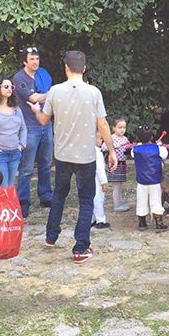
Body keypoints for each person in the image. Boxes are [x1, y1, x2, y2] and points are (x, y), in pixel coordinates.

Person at [28, 50, 117, 264]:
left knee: (59, 194)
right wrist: (111, 150)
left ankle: (51, 236)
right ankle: (80, 247)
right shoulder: (94, 92)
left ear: (66, 67)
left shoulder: (55, 91)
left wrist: (35, 109)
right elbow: (102, 124)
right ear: (84, 68)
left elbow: (43, 120)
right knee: (86, 200)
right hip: (86, 155)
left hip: (62, 155)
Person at [13, 46, 53, 218]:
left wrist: (46, 94)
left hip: (46, 124)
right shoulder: (19, 78)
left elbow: (42, 96)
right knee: (27, 168)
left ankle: (45, 196)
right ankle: (23, 201)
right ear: (24, 61)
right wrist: (52, 93)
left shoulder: (43, 75)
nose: (36, 62)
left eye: (37, 59)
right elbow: (33, 98)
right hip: (29, 127)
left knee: (46, 164)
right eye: (32, 59)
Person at [131, 125, 168, 231]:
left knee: (141, 201)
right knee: (156, 201)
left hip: (141, 181)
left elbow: (133, 153)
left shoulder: (135, 150)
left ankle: (142, 222)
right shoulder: (158, 149)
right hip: (155, 180)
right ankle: (159, 223)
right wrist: (159, 145)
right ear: (152, 137)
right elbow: (165, 154)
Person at [104, 117, 130, 212]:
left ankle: (120, 201)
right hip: (114, 164)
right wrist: (113, 146)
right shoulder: (111, 138)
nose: (122, 129)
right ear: (113, 128)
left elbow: (128, 149)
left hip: (122, 163)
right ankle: (116, 204)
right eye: (120, 127)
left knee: (120, 184)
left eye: (124, 127)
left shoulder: (125, 139)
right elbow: (103, 147)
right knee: (116, 185)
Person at [92, 131, 110, 229]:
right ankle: (100, 220)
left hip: (88, 180)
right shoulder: (97, 153)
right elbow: (100, 169)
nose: (101, 141)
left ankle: (93, 219)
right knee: (98, 199)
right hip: (97, 181)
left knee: (90, 200)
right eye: (100, 139)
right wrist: (104, 182)